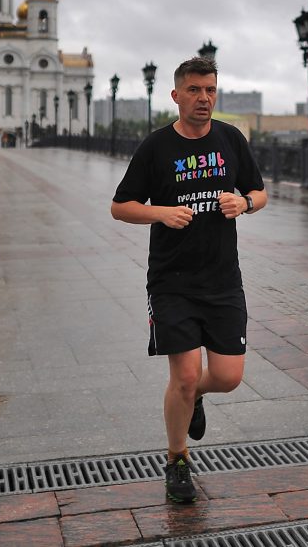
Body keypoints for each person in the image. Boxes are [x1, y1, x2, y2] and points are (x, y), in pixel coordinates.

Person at [110, 55, 267, 504]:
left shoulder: (231, 139)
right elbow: (120, 206)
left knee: (229, 376)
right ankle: (177, 461)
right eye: (195, 90)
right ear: (176, 95)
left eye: (211, 90)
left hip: (223, 279)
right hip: (171, 281)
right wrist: (160, 212)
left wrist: (246, 204)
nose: (204, 98)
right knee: (182, 376)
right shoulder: (156, 147)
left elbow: (259, 191)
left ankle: (194, 396)